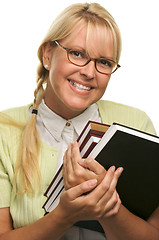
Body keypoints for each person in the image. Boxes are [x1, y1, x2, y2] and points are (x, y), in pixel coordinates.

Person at [0, 2, 159, 240]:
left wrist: (106, 207)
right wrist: (64, 215)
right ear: (47, 54)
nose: (89, 72)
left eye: (104, 62)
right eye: (77, 54)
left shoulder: (136, 124)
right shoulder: (4, 130)